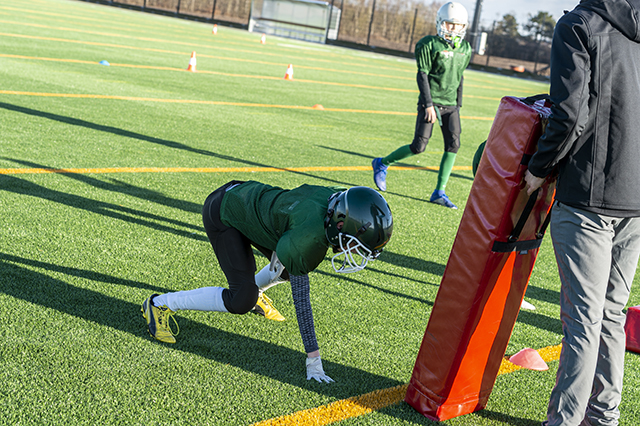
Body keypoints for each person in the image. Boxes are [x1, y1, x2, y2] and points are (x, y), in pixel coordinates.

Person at [141, 181, 393, 383]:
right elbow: (302, 303)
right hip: (225, 213)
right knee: (241, 299)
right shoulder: (308, 238)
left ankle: (257, 289)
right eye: (355, 244)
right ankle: (160, 303)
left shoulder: (335, 200)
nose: (356, 253)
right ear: (340, 223)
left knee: (285, 268)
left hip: (252, 202)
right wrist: (313, 358)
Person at [523, 1, 640, 424]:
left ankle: (566, 420)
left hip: (590, 194)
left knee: (584, 322)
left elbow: (570, 115)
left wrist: (539, 168)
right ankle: (603, 415)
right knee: (611, 313)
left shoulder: (578, 24)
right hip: (635, 197)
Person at [372, 1, 471, 209]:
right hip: (432, 101)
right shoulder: (429, 44)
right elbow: (422, 75)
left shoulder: (465, 48)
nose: (453, 29)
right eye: (449, 24)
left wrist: (458, 105)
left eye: (457, 25)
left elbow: (460, 77)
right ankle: (382, 163)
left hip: (451, 104)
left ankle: (439, 192)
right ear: (440, 23)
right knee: (419, 146)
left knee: (453, 145)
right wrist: (428, 104)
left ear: (464, 26)